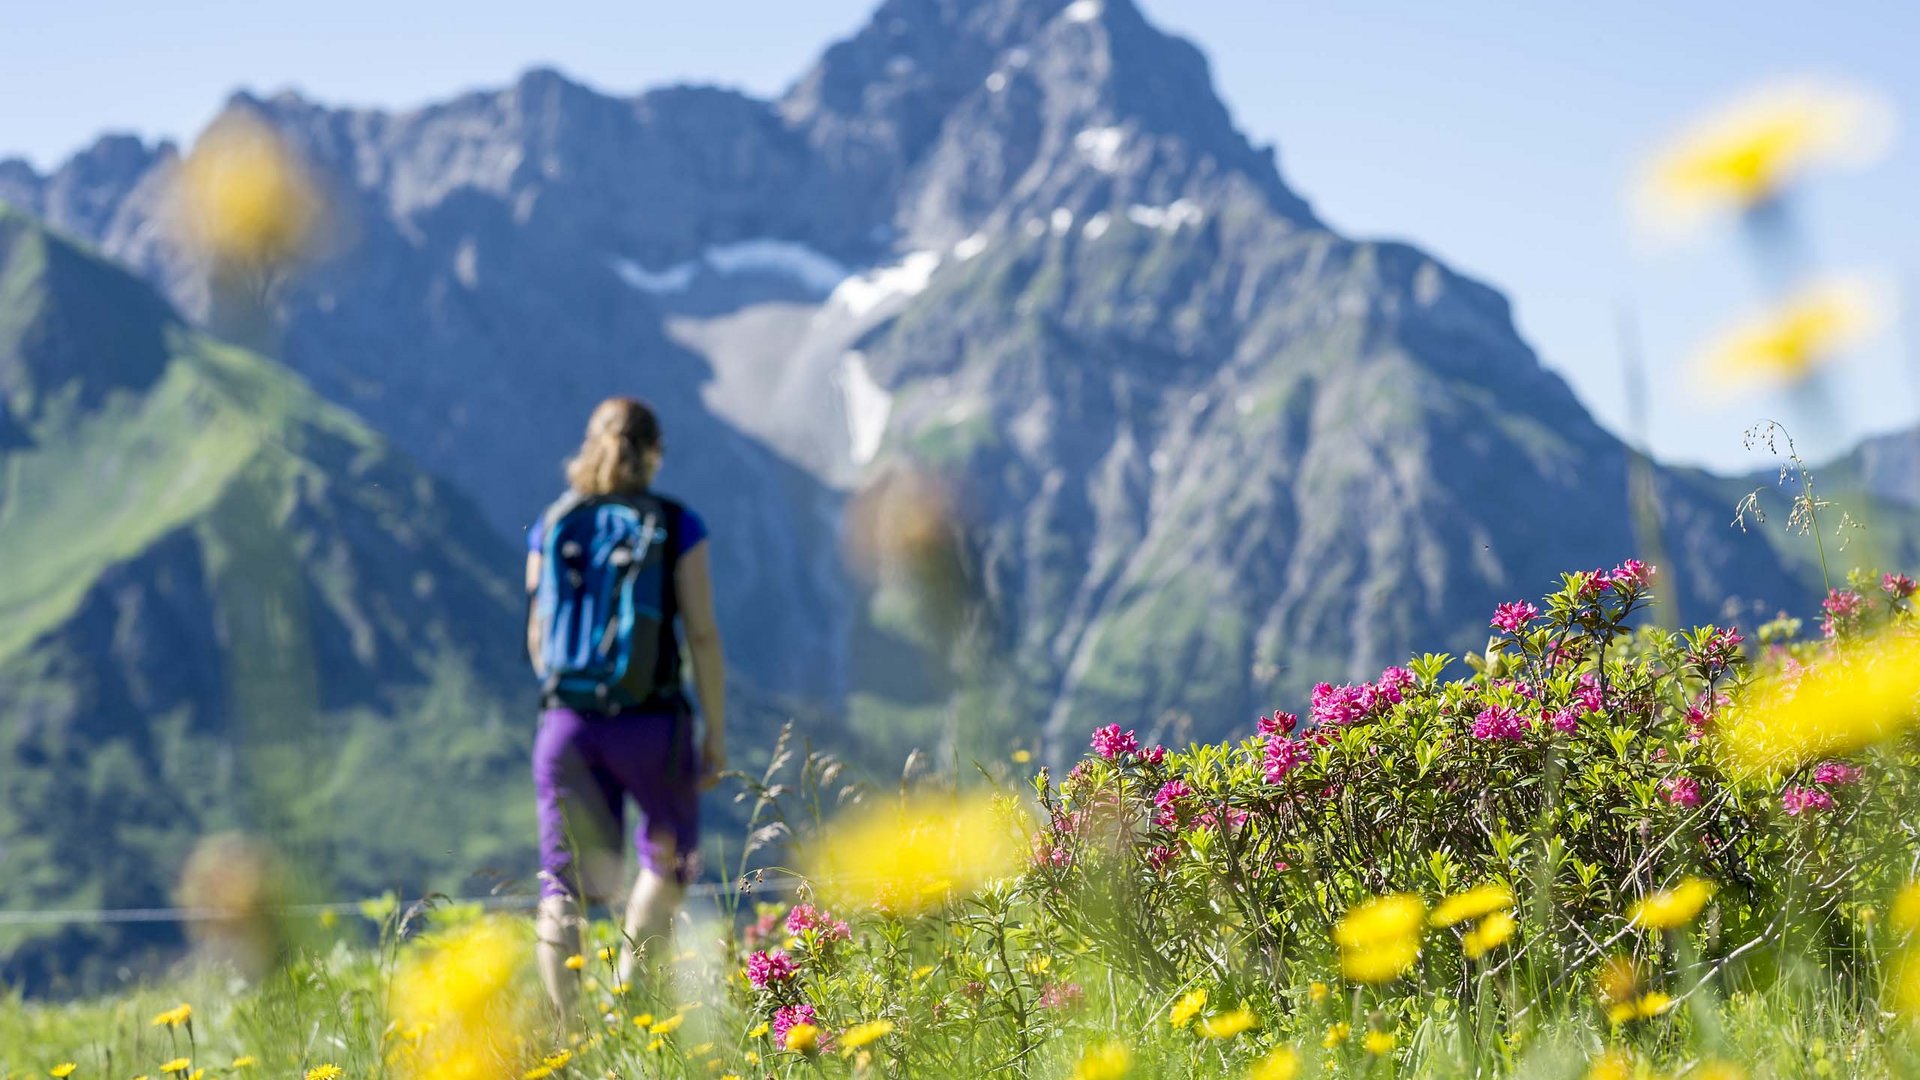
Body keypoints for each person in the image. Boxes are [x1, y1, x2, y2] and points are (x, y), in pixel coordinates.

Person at [526, 396, 726, 1019]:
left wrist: (573, 698)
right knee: (669, 863)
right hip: (654, 723)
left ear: (591, 445)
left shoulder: (552, 524)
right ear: (655, 453)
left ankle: (568, 1038)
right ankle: (631, 996)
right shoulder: (675, 524)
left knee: (564, 887)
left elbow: (537, 635)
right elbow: (700, 634)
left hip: (567, 725)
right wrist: (715, 729)